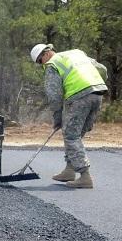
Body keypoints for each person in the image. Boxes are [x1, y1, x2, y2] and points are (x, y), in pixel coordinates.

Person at [30, 43, 108, 188]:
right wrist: (96, 84)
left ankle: (85, 176)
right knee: (75, 134)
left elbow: (54, 95)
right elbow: (102, 69)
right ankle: (69, 170)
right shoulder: (76, 53)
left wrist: (58, 116)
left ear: (46, 54)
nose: (41, 64)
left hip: (80, 96)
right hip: (97, 93)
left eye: (40, 61)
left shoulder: (52, 64)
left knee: (71, 135)